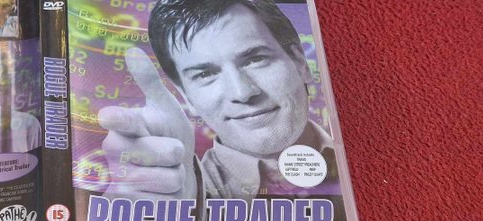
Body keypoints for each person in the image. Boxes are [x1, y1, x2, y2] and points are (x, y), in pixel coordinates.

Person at [98, 0, 335, 201]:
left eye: (256, 59)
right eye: (205, 74)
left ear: (300, 62)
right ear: (186, 96)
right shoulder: (188, 192)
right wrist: (163, 212)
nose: (242, 92)